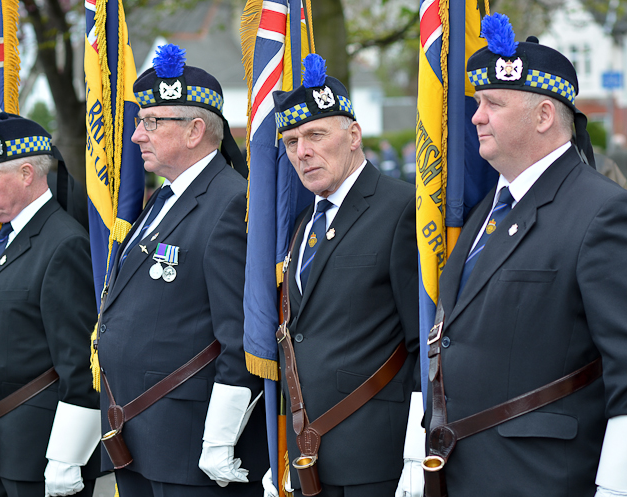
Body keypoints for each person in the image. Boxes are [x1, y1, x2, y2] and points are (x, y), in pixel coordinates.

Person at [425, 14, 627, 497]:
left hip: (542, 477)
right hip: (459, 471)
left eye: (493, 103)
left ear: (542, 116)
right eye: (477, 103)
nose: (475, 116)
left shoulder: (601, 211)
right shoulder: (483, 215)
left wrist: (615, 486)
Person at [94, 43, 267, 496]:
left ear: (194, 130)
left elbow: (240, 336)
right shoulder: (164, 199)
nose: (137, 136)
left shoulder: (231, 202)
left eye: (151, 122)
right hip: (136, 432)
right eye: (139, 122)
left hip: (189, 447)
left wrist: (220, 438)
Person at [266, 53, 419, 497]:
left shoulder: (400, 209)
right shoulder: (303, 222)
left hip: (375, 455)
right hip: (306, 451)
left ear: (353, 135)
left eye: (315, 135)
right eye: (292, 141)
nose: (302, 152)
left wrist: (416, 447)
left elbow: (420, 343)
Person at [0, 110, 101, 497]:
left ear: (26, 174)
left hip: (41, 454)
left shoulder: (63, 243)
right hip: (0, 444)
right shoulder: (7, 239)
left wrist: (68, 456)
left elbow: (80, 364)